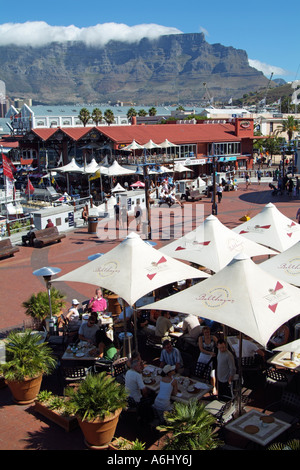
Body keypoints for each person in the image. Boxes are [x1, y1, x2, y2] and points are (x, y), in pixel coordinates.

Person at [197, 326, 218, 394]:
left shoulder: (213, 337)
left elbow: (218, 344)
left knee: (212, 373)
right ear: (203, 333)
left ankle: (213, 387)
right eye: (205, 332)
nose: (207, 333)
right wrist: (210, 353)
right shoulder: (201, 338)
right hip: (203, 356)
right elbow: (201, 349)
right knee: (200, 371)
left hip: (210, 357)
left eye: (208, 332)